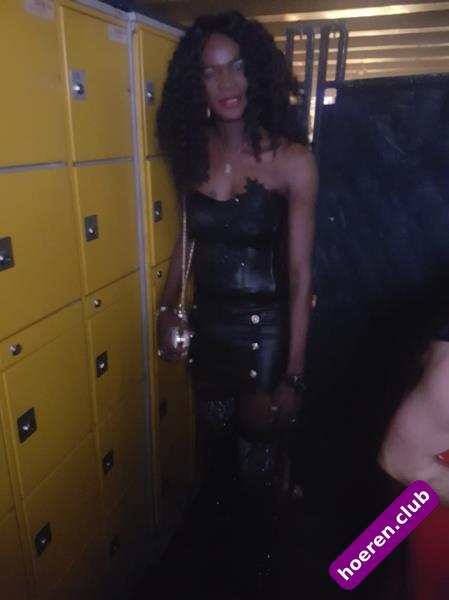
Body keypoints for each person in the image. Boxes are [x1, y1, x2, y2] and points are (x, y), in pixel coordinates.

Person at [156, 11, 317, 595]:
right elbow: (188, 239)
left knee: (257, 472)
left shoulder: (293, 161)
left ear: (256, 74)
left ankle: (261, 572)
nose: (226, 83)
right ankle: (221, 567)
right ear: (195, 86)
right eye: (210, 72)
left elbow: (299, 274)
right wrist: (167, 306)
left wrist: (294, 373)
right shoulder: (191, 153)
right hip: (210, 330)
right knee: (217, 460)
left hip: (262, 334)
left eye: (237, 67)